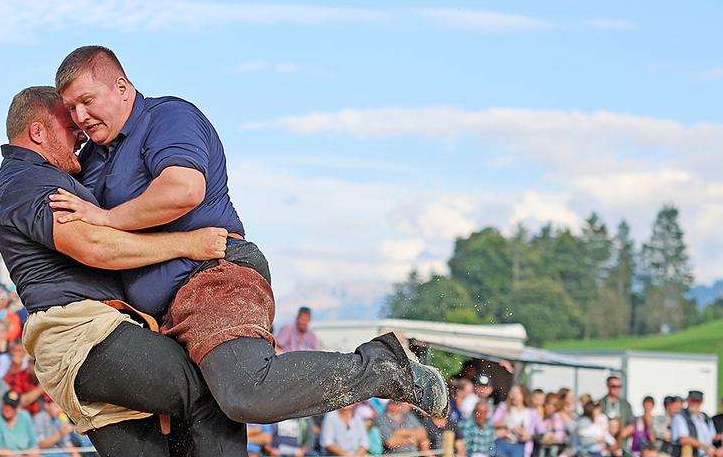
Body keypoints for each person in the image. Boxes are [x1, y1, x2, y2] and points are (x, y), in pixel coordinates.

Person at [0, 86, 290, 457]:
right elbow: (94, 248)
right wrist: (187, 244)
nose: (81, 133)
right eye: (69, 124)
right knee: (206, 391)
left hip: (92, 336)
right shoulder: (25, 181)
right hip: (81, 331)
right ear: (38, 132)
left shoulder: (56, 179)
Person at [50, 46, 446, 424]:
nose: (80, 116)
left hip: (213, 277)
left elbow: (183, 190)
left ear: (121, 87)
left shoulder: (167, 117)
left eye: (87, 100)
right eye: (70, 109)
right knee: (195, 435)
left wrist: (105, 218)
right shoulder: (92, 158)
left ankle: (383, 367)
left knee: (246, 391)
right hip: (161, 312)